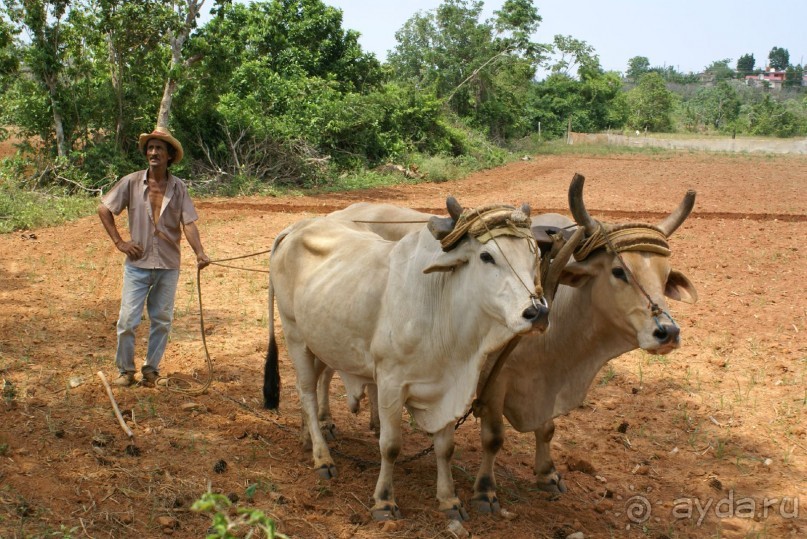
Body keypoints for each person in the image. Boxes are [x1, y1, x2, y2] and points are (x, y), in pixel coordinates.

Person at [98, 126, 210, 387]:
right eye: (150, 147)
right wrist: (119, 242)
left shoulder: (178, 187)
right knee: (127, 321)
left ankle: (151, 370)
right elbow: (104, 209)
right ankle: (126, 371)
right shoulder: (132, 182)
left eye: (159, 148)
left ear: (170, 155)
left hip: (168, 265)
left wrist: (200, 253)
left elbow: (189, 223)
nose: (153, 152)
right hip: (137, 264)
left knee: (161, 320)